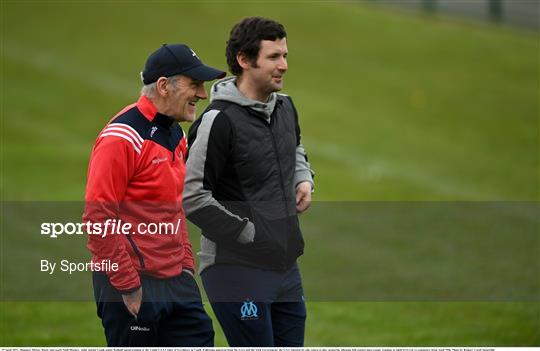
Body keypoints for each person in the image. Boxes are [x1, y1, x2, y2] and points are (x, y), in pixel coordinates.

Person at [183, 17, 314, 347]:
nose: (283, 65)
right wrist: (247, 232)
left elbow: (294, 146)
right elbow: (193, 196)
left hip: (285, 266)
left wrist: (303, 179)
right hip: (235, 269)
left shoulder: (285, 107)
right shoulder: (218, 121)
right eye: (273, 57)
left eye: (285, 55)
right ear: (244, 60)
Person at [83, 43, 225, 347]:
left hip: (177, 281)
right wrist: (128, 285)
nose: (202, 94)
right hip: (131, 284)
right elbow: (98, 219)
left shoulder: (175, 133)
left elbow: (173, 208)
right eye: (194, 84)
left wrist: (185, 266)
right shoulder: (121, 138)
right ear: (163, 86)